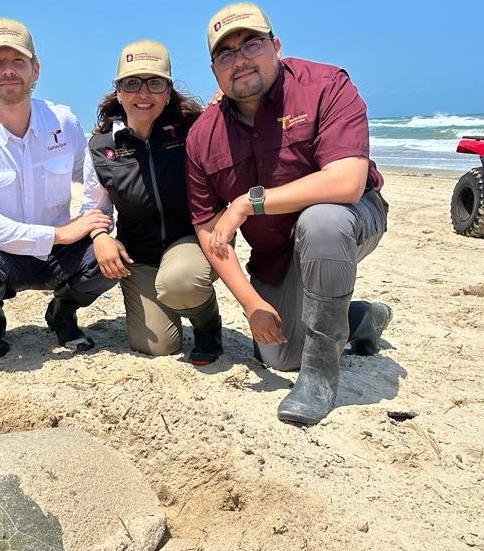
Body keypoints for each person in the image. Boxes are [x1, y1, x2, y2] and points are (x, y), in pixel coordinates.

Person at [186, 2, 392, 425]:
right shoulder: (202, 137)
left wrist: (248, 201)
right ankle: (360, 317)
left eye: (251, 44)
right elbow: (211, 232)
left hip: (349, 221)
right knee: (278, 355)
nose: (240, 59)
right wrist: (250, 304)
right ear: (214, 71)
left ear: (276, 46)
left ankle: (320, 377)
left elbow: (346, 182)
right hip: (275, 254)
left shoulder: (325, 84)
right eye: (225, 54)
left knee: (322, 220)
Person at [0, 17, 115, 359]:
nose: (8, 71)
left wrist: (98, 229)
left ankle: (62, 313)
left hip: (58, 256)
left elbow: (95, 181)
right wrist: (58, 234)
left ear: (35, 69)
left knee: (109, 256)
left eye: (18, 61)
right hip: (1, 254)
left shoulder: (62, 121)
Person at [81, 40, 223, 365]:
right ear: (118, 91)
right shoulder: (101, 147)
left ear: (168, 91)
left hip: (188, 242)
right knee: (159, 346)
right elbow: (94, 206)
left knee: (180, 282)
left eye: (154, 83)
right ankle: (175, 300)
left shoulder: (191, 130)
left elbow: (232, 124)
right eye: (132, 83)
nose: (143, 93)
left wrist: (223, 102)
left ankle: (207, 324)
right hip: (139, 256)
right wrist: (100, 236)